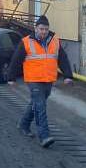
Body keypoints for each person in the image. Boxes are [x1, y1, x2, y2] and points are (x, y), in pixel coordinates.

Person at [9, 15, 74, 148]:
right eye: (41, 29)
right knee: (40, 106)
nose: (43, 31)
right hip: (33, 79)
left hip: (48, 79)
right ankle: (44, 136)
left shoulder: (55, 41)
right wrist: (11, 77)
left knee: (36, 104)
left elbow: (62, 58)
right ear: (36, 29)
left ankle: (23, 124)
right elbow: (16, 60)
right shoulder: (26, 42)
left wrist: (68, 75)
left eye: (46, 29)